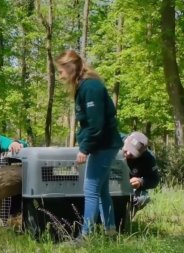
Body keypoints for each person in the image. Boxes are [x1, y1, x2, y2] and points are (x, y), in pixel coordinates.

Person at [55, 50, 123, 237]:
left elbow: (96, 124)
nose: (59, 76)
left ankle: (86, 237)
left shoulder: (90, 88)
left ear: (70, 68)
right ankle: (110, 232)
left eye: (60, 71)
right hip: (104, 144)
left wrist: (84, 149)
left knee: (90, 190)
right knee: (101, 191)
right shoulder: (84, 87)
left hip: (104, 144)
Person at [122, 131, 160, 212]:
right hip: (108, 183)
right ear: (125, 141)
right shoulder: (112, 140)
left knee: (143, 198)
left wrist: (141, 181)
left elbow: (155, 180)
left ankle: (125, 219)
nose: (128, 154)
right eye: (127, 149)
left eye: (133, 154)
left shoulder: (149, 158)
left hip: (129, 188)